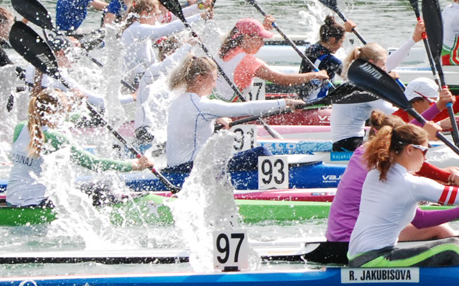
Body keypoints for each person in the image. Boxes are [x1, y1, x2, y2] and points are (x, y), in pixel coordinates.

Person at [347, 121, 459, 269]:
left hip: (358, 257)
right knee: (452, 247)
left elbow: (420, 218)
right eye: (425, 151)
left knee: (455, 245)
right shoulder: (410, 183)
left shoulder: (377, 173)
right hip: (373, 261)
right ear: (410, 150)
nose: (426, 158)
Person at [321, 112, 459, 260]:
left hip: (337, 237)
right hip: (353, 243)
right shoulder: (388, 169)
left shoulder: (364, 152)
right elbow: (420, 219)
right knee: (439, 228)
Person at [5, 87, 149, 207]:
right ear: (56, 112)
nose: (67, 114)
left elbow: (58, 121)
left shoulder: (20, 128)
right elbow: (94, 163)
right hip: (38, 202)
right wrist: (133, 165)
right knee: (102, 188)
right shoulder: (54, 138)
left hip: (12, 199)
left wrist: (76, 106)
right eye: (65, 110)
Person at [163, 55, 302, 177]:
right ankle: (286, 183)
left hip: (174, 168)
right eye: (213, 79)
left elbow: (191, 117)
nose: (214, 85)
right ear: (199, 79)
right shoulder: (203, 105)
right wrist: (286, 102)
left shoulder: (177, 101)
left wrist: (217, 117)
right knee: (261, 152)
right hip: (190, 170)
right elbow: (247, 108)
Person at [326, 24, 425, 151]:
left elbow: (390, 63)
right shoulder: (364, 88)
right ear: (372, 64)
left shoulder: (359, 78)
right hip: (348, 146)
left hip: (349, 141)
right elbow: (396, 116)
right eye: (383, 65)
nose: (386, 69)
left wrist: (413, 40)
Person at [218, 18, 326, 98]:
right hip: (229, 114)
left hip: (218, 105)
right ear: (247, 37)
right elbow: (282, 79)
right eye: (260, 39)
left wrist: (262, 26)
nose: (262, 44)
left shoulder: (225, 51)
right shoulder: (248, 62)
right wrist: (315, 75)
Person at [393, 74, 459, 131]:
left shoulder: (426, 111)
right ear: (416, 102)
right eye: (430, 101)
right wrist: (438, 124)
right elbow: (405, 133)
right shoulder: (395, 120)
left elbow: (455, 106)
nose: (434, 105)